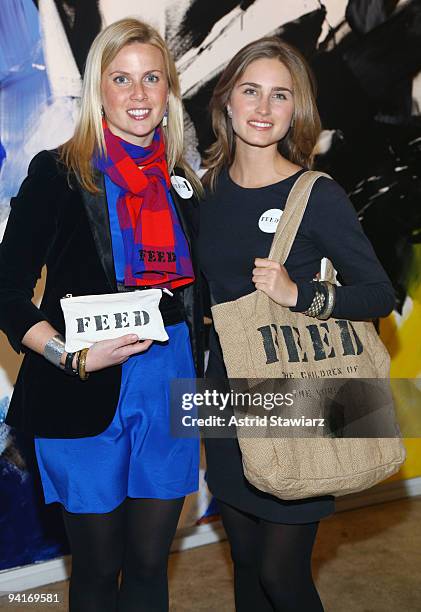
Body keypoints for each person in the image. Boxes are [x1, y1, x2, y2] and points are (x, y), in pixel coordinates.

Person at [0, 18, 203, 612]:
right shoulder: (59, 173)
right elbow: (7, 289)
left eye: (152, 79)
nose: (138, 95)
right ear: (99, 91)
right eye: (121, 79)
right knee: (96, 571)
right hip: (82, 389)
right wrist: (72, 354)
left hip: (171, 385)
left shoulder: (183, 183)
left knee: (148, 567)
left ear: (169, 91)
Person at [198, 37, 395, 612]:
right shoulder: (202, 191)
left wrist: (299, 294)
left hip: (300, 396)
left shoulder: (317, 195)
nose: (262, 108)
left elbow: (379, 294)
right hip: (222, 397)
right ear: (227, 103)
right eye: (250, 91)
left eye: (279, 95)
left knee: (283, 574)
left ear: (296, 109)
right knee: (245, 562)